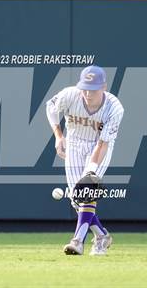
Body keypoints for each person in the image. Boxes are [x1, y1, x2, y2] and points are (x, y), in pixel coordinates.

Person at [46, 65, 124, 255]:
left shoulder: (115, 108)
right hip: (73, 144)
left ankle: (78, 241)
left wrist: (91, 170)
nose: (88, 94)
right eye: (85, 88)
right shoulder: (70, 95)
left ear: (104, 87)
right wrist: (58, 135)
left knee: (87, 189)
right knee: (76, 200)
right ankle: (102, 235)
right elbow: (50, 107)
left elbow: (103, 144)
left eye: (93, 89)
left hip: (98, 147)